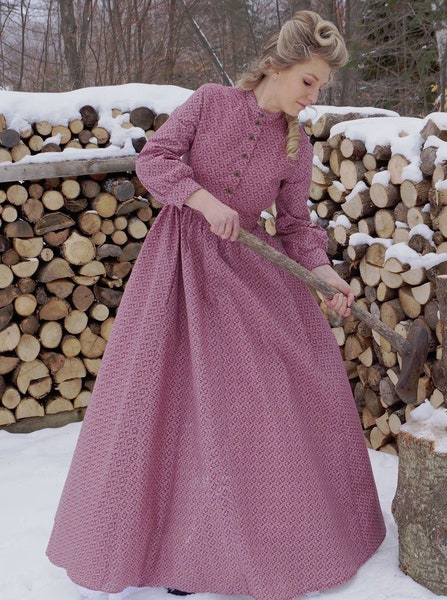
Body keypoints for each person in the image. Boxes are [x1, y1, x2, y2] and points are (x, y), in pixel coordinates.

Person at [46, 10, 386, 600]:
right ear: (278, 66)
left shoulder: (295, 142)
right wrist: (202, 200)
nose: (312, 96)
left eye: (320, 87)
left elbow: (298, 226)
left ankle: (271, 545)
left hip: (250, 271)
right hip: (179, 270)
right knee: (176, 405)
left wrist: (326, 275)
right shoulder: (209, 103)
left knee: (267, 398)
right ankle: (177, 554)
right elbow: (154, 161)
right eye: (308, 81)